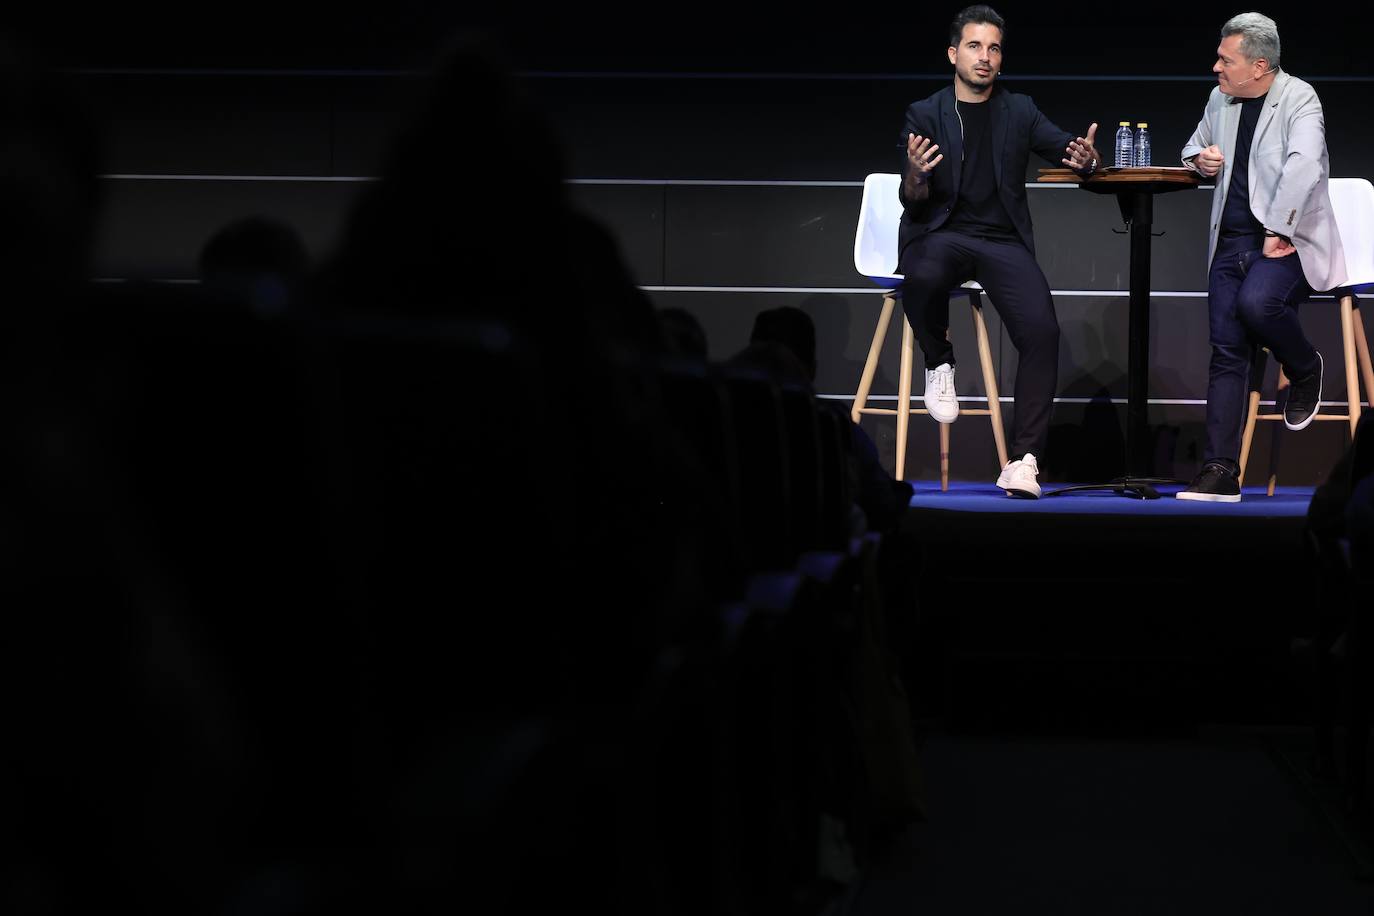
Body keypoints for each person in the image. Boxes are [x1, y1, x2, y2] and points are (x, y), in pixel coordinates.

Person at [898, 4, 1099, 498]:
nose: (984, 57)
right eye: (973, 46)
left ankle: (1024, 460)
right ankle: (940, 359)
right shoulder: (925, 112)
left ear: (1000, 60)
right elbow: (913, 198)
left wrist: (1087, 160)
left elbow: (1067, 152)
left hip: (1002, 240)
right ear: (953, 54)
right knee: (920, 273)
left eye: (993, 48)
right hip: (945, 233)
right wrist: (918, 176)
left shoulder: (1020, 110)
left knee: (1042, 330)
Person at [1177, 11, 1346, 502]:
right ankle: (1220, 469)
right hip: (1231, 242)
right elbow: (1194, 146)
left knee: (1257, 305)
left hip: (1288, 241)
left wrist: (1278, 227)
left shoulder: (1300, 98)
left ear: (1259, 66)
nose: (1215, 67)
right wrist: (1200, 159)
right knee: (1227, 351)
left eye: (1225, 59)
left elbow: (1304, 164)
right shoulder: (1221, 99)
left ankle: (1306, 366)